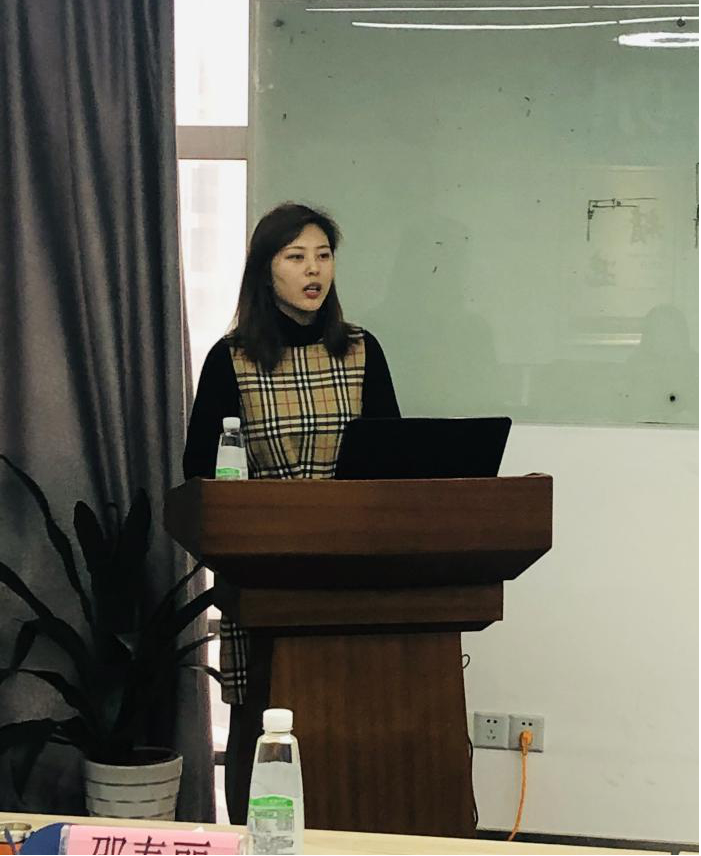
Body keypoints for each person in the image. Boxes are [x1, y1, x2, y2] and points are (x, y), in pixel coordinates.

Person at [182, 202, 400, 822]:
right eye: (296, 256)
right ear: (266, 270)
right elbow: (199, 473)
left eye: (323, 256)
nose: (314, 270)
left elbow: (393, 456)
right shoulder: (232, 358)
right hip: (264, 572)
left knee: (350, 717)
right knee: (261, 721)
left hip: (352, 567)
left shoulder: (361, 350)